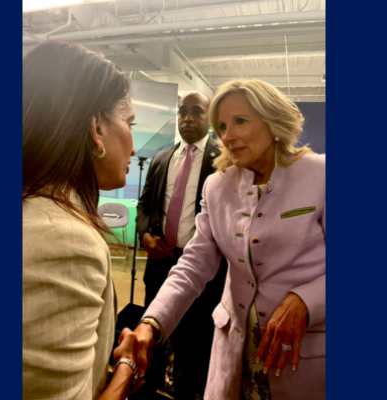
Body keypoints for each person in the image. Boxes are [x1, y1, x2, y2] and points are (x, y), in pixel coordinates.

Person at [135, 79, 326, 400]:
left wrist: (306, 300)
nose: (227, 135)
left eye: (240, 121)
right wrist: (151, 323)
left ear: (271, 118)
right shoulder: (217, 187)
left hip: (300, 357)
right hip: (234, 354)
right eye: (222, 125)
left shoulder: (320, 175)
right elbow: (193, 266)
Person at [22, 41, 142, 400]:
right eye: (129, 122)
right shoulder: (65, 240)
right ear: (97, 130)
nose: (134, 148)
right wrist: (126, 367)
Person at [134, 91, 228, 399]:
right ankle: (146, 391)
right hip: (159, 264)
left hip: (203, 274)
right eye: (182, 111)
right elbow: (145, 204)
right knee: (152, 339)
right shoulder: (162, 158)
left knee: (192, 347)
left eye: (196, 111)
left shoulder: (224, 161)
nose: (187, 117)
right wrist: (146, 233)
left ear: (209, 117)